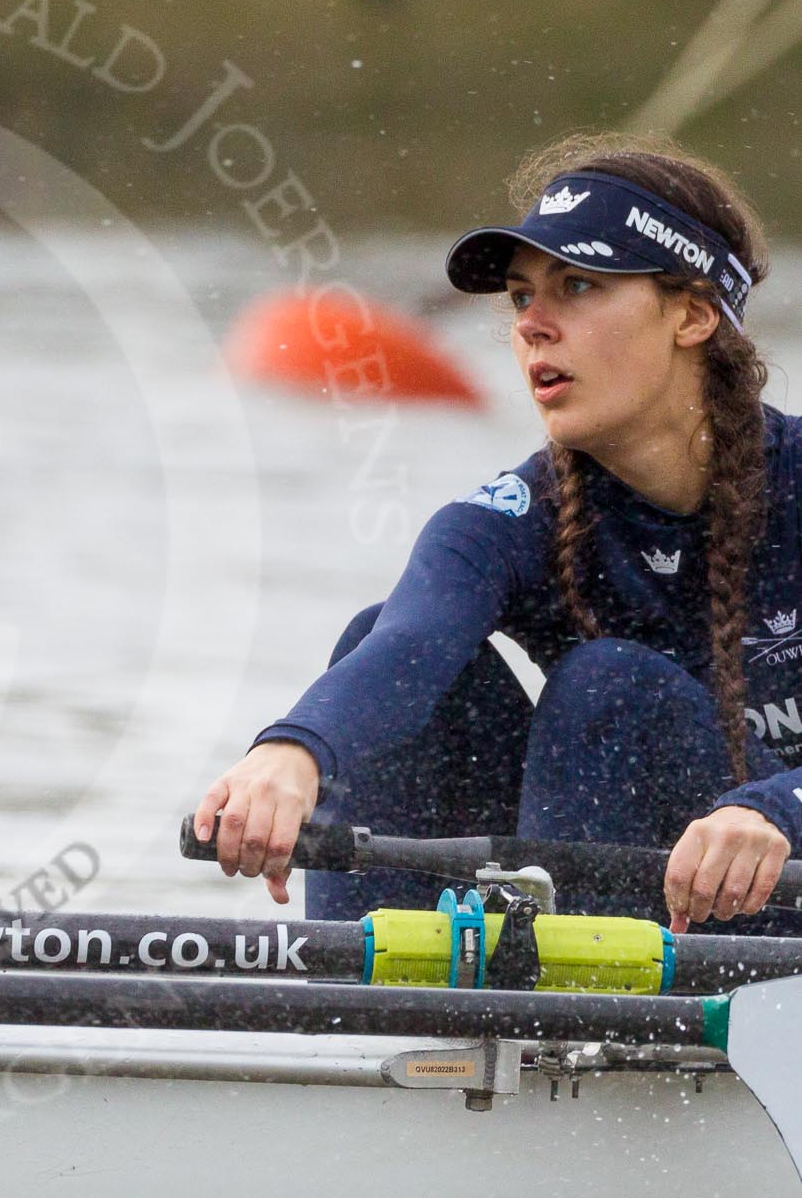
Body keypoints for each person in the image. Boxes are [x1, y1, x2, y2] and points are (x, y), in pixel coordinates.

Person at [193, 133, 801, 933]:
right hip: (641, 898)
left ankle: (584, 1023)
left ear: (690, 314)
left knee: (609, 686)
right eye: (521, 298)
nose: (533, 327)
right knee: (377, 640)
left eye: (577, 285)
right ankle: (391, 1026)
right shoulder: (508, 519)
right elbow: (407, 646)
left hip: (775, 887)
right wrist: (293, 751)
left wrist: (771, 811)